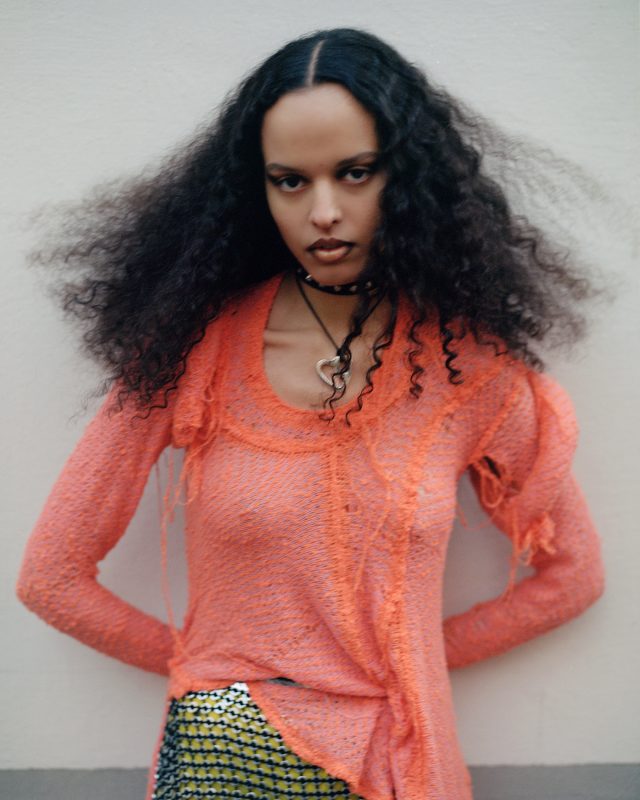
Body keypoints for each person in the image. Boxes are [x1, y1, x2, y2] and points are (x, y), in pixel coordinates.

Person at [15, 26, 606, 800]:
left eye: (355, 172)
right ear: (254, 191)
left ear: (408, 176)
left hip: (401, 756)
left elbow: (573, 576)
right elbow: (51, 577)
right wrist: (208, 668)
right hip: (228, 751)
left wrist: (409, 658)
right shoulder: (195, 351)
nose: (323, 211)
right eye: (289, 181)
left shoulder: (473, 371)